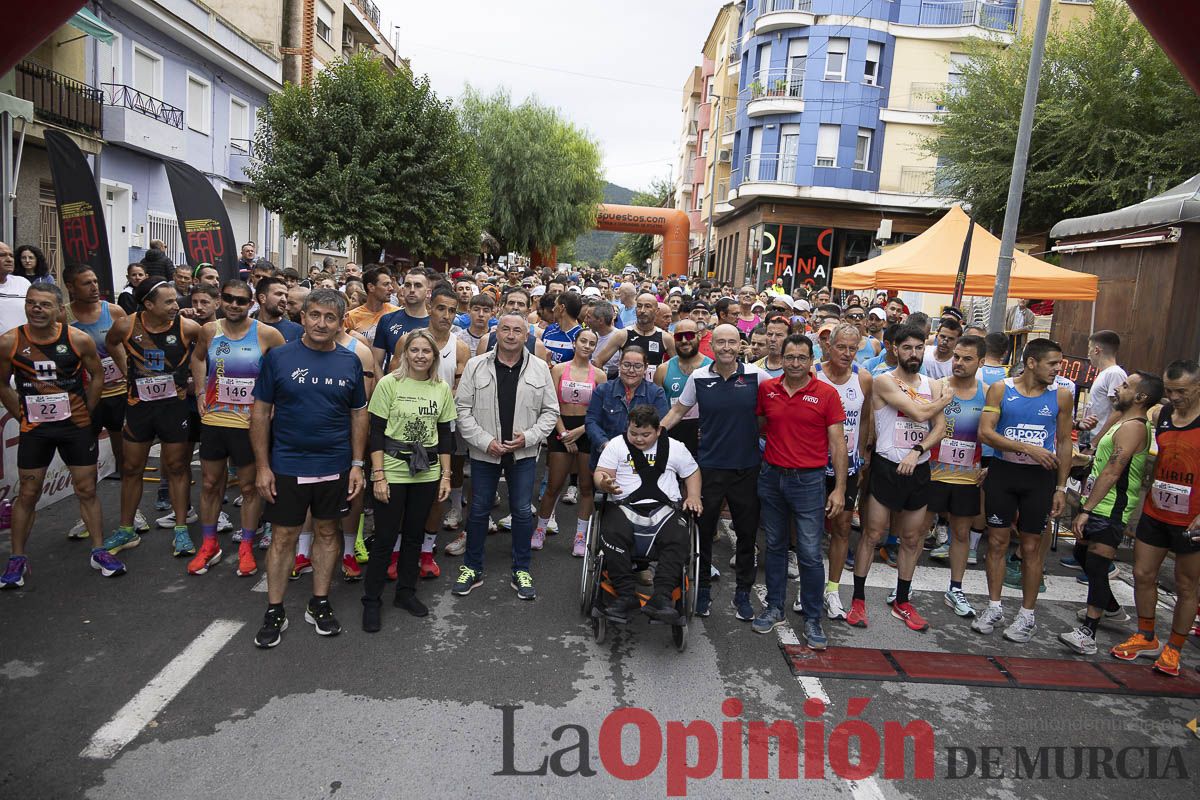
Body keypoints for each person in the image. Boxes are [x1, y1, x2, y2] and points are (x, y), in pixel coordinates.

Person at [251, 289, 367, 648]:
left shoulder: (349, 362)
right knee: (284, 536)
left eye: (330, 318)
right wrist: (263, 466)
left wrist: (357, 464)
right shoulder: (280, 357)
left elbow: (358, 414)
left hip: (334, 464)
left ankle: (319, 602)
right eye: (315, 315)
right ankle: (274, 608)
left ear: (340, 322)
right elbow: (259, 413)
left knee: (329, 533)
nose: (321, 323)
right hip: (287, 465)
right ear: (303, 317)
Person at [0, 285, 125, 589]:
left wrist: (88, 411)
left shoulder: (77, 339)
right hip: (36, 430)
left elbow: (97, 376)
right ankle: (17, 558)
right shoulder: (9, 342)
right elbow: (3, 384)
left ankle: (98, 550)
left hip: (75, 427)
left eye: (44, 305)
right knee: (28, 493)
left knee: (86, 489)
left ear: (59, 309)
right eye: (31, 304)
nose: (36, 309)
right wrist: (22, 416)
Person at [661, 323, 768, 619]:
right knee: (703, 533)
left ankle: (743, 595)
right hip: (708, 467)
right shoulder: (698, 377)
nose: (726, 348)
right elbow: (677, 412)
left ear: (740, 345)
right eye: (720, 342)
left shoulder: (757, 376)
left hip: (747, 468)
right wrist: (653, 436)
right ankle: (703, 591)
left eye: (732, 342)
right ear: (712, 346)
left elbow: (774, 413)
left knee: (747, 536)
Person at [849, 324, 950, 631]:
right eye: (907, 348)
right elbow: (921, 415)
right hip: (886, 467)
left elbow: (939, 429)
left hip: (917, 468)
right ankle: (858, 600)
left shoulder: (931, 385)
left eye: (919, 348)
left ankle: (902, 601)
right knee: (873, 533)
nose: (914, 354)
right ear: (894, 348)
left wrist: (917, 450)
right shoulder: (883, 380)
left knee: (910, 538)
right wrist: (944, 401)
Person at [453, 312, 559, 600]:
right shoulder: (476, 366)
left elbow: (551, 412)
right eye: (505, 329)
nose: (511, 335)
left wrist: (531, 437)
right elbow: (462, 410)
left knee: (523, 511)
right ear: (495, 333)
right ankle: (472, 568)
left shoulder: (540, 368)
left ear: (527, 336)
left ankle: (521, 569)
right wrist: (485, 442)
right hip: (485, 453)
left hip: (523, 453)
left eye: (517, 331)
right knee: (477, 510)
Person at [976, 338, 1073, 643]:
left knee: (1031, 548)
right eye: (1053, 363)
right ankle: (994, 607)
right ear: (1032, 362)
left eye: (1059, 364)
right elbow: (986, 432)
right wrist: (1027, 448)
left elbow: (1065, 442)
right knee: (996, 542)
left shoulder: (1062, 395)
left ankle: (1027, 615)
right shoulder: (1002, 389)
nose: (1058, 369)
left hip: (1040, 479)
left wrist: (1061, 486)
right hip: (1005, 472)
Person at [187, 280, 286, 577]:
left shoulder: (267, 334)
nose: (234, 304)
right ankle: (209, 544)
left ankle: (245, 545)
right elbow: (198, 357)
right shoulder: (209, 330)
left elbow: (284, 370)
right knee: (209, 484)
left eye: (241, 301)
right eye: (228, 299)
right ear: (220, 300)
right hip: (215, 420)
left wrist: (273, 407)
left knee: (248, 487)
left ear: (251, 303)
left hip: (249, 424)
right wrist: (201, 392)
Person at [754, 333, 847, 642]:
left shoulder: (826, 394)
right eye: (789, 357)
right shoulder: (767, 389)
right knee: (776, 547)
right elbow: (761, 426)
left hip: (809, 482)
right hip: (772, 477)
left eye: (801, 358)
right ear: (782, 359)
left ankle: (812, 618)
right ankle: (775, 607)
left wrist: (839, 490)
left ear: (811, 361)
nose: (795, 363)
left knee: (808, 553)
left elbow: (838, 444)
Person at [1059, 372, 1161, 655]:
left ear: (1140, 397)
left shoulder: (1134, 427)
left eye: (1126, 386)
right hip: (1098, 501)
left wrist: (1086, 510)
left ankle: (1088, 635)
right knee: (1082, 556)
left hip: (1110, 509)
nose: (1118, 388)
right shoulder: (1123, 423)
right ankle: (1113, 609)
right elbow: (1105, 461)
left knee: (1096, 565)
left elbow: (1115, 470)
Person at [1109, 361, 1200, 676]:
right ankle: (1146, 635)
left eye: (1182, 392)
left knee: (1186, 585)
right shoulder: (1161, 415)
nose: (1174, 397)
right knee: (1143, 574)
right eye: (1170, 390)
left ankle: (1174, 648)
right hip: (1156, 510)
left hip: (1191, 520)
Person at [362, 329, 455, 628]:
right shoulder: (390, 384)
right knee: (386, 537)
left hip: (426, 471)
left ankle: (405, 591)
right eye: (414, 350)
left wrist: (446, 476)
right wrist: (378, 476)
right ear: (405, 355)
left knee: (415, 535)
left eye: (425, 351)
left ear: (434, 356)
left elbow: (444, 436)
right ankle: (372, 600)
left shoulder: (441, 388)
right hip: (392, 468)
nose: (419, 356)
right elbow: (375, 432)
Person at [593, 405, 701, 624]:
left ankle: (661, 597)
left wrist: (694, 496)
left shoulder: (675, 447)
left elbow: (692, 472)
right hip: (624, 506)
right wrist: (604, 483)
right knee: (611, 533)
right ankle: (625, 595)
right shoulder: (616, 445)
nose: (639, 439)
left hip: (665, 509)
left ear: (658, 431)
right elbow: (600, 473)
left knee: (678, 538)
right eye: (633, 433)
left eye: (645, 434)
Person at [925, 335, 987, 619]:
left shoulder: (987, 393)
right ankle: (906, 585)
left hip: (966, 478)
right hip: (933, 473)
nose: (959, 363)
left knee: (960, 534)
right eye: (957, 357)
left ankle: (956, 588)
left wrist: (989, 466)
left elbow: (991, 434)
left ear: (981, 362)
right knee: (916, 532)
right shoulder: (936, 386)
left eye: (967, 358)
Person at [815, 324, 873, 622]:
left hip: (846, 467)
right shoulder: (814, 373)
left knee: (841, 529)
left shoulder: (863, 378)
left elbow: (864, 419)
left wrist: (862, 453)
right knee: (808, 531)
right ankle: (809, 588)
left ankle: (832, 589)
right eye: (841, 347)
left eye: (853, 348)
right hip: (813, 464)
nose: (847, 354)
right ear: (829, 345)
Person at [536, 328, 604, 556]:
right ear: (574, 343)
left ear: (595, 347)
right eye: (583, 341)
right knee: (554, 485)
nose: (586, 345)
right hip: (561, 429)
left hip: (587, 430)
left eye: (591, 343)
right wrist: (565, 434)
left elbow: (599, 412)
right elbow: (551, 404)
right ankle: (539, 529)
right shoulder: (558, 370)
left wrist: (581, 431)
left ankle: (580, 536)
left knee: (586, 487)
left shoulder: (600, 375)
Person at [64, 265, 129, 484]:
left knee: (123, 452)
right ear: (70, 287)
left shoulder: (113, 311)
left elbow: (130, 346)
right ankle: (87, 501)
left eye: (95, 281)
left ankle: (129, 509)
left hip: (117, 392)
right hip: (84, 395)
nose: (94, 287)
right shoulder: (63, 316)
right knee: (84, 454)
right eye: (86, 283)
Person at [586, 346, 669, 470]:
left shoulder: (656, 394)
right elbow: (591, 421)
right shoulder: (603, 390)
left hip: (643, 461)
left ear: (645, 368)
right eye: (626, 365)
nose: (631, 370)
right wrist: (605, 444)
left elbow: (661, 425)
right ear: (619, 365)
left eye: (637, 366)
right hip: (606, 459)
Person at [654, 318, 710, 459]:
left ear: (698, 336)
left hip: (703, 436)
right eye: (679, 337)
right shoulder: (663, 369)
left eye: (690, 335)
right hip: (671, 433)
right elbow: (655, 408)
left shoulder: (712, 368)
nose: (684, 340)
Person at [592, 292, 676, 379]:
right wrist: (606, 385)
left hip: (652, 391)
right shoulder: (623, 334)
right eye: (639, 306)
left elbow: (679, 365)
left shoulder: (665, 338)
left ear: (656, 311)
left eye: (647, 306)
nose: (642, 310)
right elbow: (598, 362)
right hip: (624, 390)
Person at [372, 269, 430, 372]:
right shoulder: (387, 320)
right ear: (402, 290)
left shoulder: (434, 324)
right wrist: (383, 386)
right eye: (407, 285)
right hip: (391, 384)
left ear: (428, 292)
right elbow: (376, 363)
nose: (412, 290)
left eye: (418, 285)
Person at [1076, 330, 1127, 445]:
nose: (1088, 354)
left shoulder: (1115, 373)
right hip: (1090, 434)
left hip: (1100, 439)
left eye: (1089, 348)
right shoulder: (1104, 373)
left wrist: (1094, 443)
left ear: (1096, 350)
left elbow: (1118, 411)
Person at [344, 267, 397, 345]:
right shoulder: (351, 317)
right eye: (386, 284)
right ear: (371, 287)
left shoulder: (396, 313)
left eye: (390, 284)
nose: (391, 288)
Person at [539, 290, 582, 365]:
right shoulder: (549, 330)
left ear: (561, 308)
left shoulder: (580, 336)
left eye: (555, 305)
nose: (553, 309)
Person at [254, 277, 303, 342]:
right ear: (262, 298)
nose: (284, 300)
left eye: (286, 296)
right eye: (279, 294)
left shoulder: (297, 331)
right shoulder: (246, 328)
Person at [0, 242, 31, 335]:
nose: (9, 260)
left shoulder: (23, 283)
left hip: (23, 345)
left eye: (11, 255)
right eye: (2, 255)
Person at [754, 313, 790, 378]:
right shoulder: (755, 368)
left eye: (779, 335)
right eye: (770, 334)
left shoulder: (795, 369)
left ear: (789, 338)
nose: (773, 339)